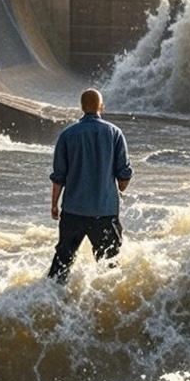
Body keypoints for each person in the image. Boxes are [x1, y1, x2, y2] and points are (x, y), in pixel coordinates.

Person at [47, 88, 133, 283]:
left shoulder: (67, 135)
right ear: (101, 107)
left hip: (73, 211)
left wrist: (54, 204)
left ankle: (51, 304)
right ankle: (107, 309)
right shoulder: (114, 133)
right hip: (104, 211)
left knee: (61, 267)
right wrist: (118, 188)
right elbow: (124, 175)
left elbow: (58, 176)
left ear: (81, 107)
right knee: (110, 269)